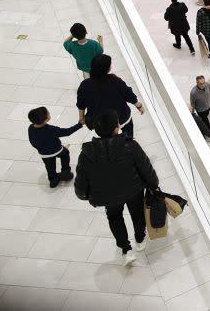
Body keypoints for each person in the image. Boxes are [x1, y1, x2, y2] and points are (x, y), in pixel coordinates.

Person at [74, 110, 158, 266]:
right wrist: (154, 184)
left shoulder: (87, 153)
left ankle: (126, 249)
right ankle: (140, 239)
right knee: (137, 214)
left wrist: (85, 195)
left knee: (114, 218)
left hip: (108, 197)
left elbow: (81, 181)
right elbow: (145, 168)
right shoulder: (130, 145)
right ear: (116, 128)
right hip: (133, 191)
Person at [77, 54, 144, 140]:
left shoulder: (85, 85)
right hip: (121, 116)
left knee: (106, 138)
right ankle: (128, 144)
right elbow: (128, 94)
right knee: (128, 136)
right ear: (107, 68)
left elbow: (81, 104)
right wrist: (139, 106)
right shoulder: (115, 81)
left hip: (100, 121)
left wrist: (81, 117)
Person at [27, 107, 81, 188]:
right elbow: (67, 132)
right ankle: (65, 173)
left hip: (44, 154)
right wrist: (79, 125)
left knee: (50, 166)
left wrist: (40, 148)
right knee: (65, 153)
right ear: (45, 120)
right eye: (48, 113)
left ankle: (53, 180)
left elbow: (32, 142)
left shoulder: (30, 128)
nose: (49, 114)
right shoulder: (51, 129)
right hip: (57, 150)